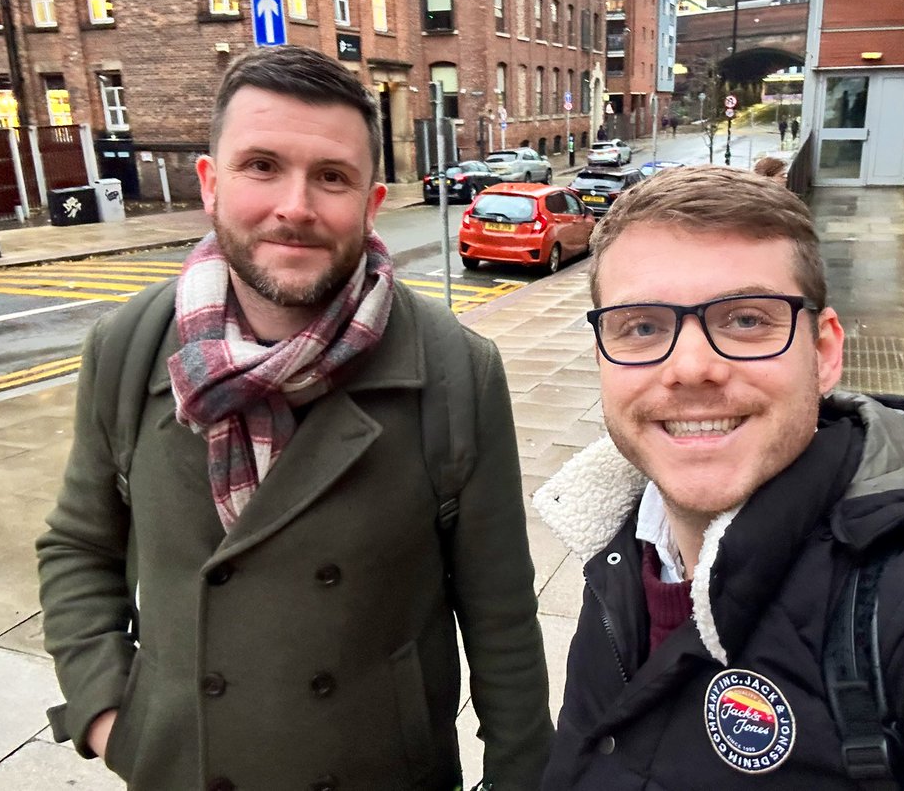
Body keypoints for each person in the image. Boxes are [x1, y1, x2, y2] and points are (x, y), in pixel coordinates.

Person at [37, 45, 552, 791]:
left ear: (372, 204)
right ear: (211, 185)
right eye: (261, 166)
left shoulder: (454, 369)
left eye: (332, 177)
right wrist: (109, 714)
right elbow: (78, 546)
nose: (296, 207)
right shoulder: (129, 346)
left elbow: (500, 614)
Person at [534, 165, 904, 790]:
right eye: (642, 326)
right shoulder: (620, 537)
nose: (691, 367)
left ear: (823, 353)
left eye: (747, 320)